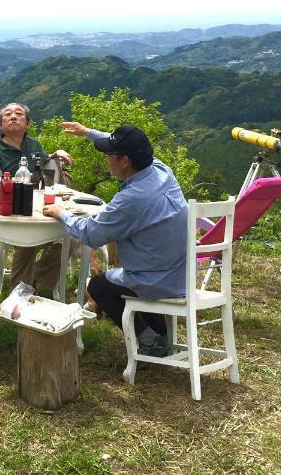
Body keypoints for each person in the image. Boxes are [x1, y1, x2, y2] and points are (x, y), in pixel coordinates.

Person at [42, 121, 187, 357]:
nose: (106, 158)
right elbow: (127, 145)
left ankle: (149, 341)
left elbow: (90, 234)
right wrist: (89, 132)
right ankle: (160, 333)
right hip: (179, 272)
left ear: (125, 161)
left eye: (109, 154)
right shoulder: (161, 170)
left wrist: (61, 213)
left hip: (154, 279)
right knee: (121, 278)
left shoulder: (132, 198)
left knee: (98, 286)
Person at [0, 102, 73, 292]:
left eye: (19, 114)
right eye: (7, 114)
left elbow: (44, 162)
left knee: (71, 239)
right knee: (28, 239)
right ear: (0, 125)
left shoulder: (34, 145)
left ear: (27, 123)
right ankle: (19, 293)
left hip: (36, 207)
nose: (13, 116)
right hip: (7, 210)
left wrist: (56, 154)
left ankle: (36, 280)